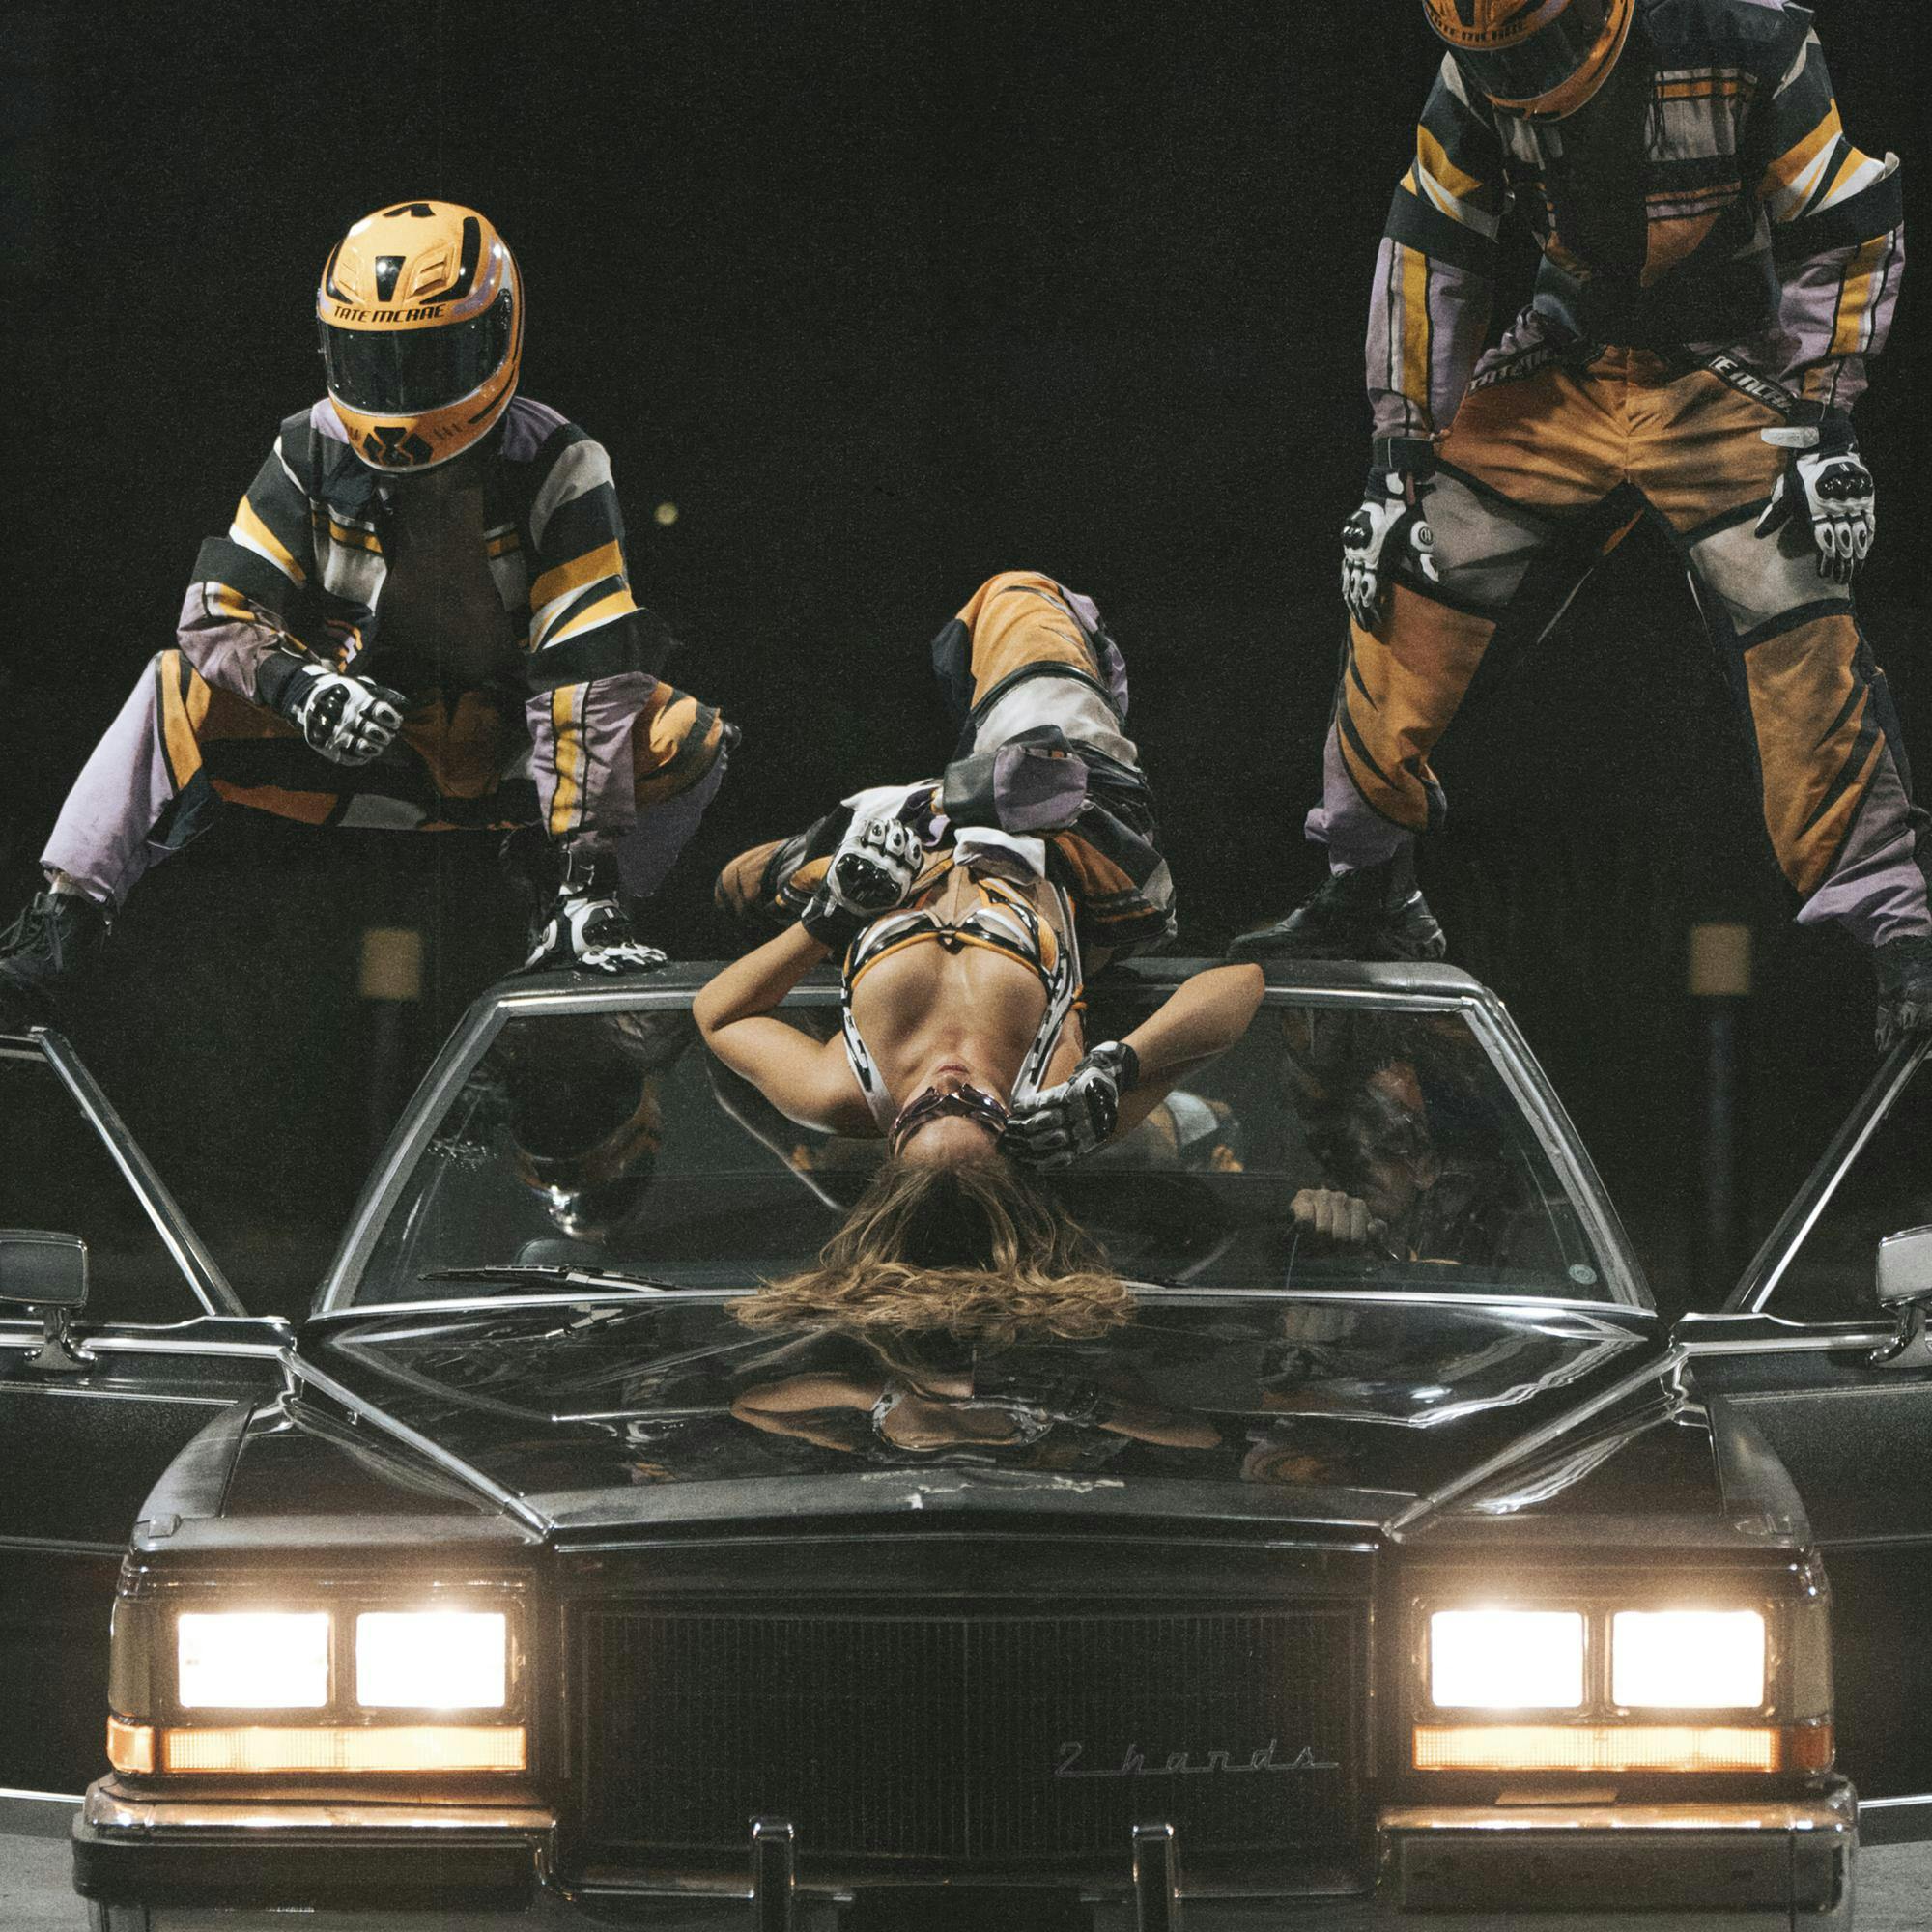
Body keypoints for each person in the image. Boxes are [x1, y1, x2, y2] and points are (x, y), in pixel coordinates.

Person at [1233, 0, 1931, 1048]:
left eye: (1543, 47)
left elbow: (1842, 215)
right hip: (1570, 352)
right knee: (1409, 567)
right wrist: (1396, 457)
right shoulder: (1474, 70)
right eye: (1503, 55)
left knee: (1793, 613)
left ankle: (1898, 930)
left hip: (1720, 362)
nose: (1529, 75)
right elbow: (1434, 238)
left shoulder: (1747, 32)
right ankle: (1367, 874)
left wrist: (1822, 414)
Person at [0, 200, 731, 1030]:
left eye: (428, 359)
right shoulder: (308, 446)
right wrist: (304, 688)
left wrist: (589, 868)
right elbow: (215, 611)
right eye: (374, 361)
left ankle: (579, 910)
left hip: (517, 758)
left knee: (688, 738)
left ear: (496, 337)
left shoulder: (561, 461)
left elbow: (587, 667)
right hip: (372, 745)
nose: (399, 394)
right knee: (175, 683)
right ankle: (64, 919)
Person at [695, 569, 1264, 1311]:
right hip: (1050, 810)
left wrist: (828, 921)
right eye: (976, 1110)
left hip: (878, 834)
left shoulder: (842, 1092)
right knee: (1012, 596)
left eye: (926, 1110)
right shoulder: (1059, 1094)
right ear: (1013, 1151)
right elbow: (1242, 984)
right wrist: (1121, 1073)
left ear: (890, 1150)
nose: (951, 1082)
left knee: (732, 887)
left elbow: (718, 1015)